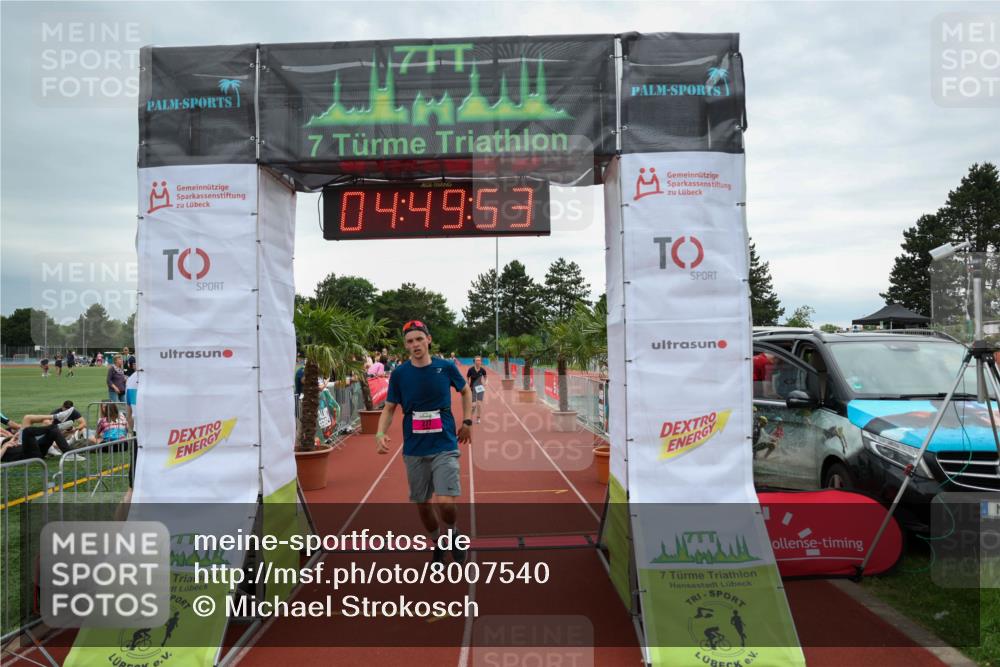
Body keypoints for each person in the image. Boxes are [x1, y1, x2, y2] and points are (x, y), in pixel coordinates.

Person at [375, 319, 473, 564]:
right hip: (415, 449)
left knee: (446, 502)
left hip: (445, 445)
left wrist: (468, 422)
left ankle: (453, 533)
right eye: (410, 341)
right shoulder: (399, 374)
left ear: (428, 340)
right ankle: (439, 540)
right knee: (422, 505)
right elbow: (389, 408)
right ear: (406, 346)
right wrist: (379, 433)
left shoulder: (446, 368)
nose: (415, 344)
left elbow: (466, 391)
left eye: (419, 339)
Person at [466, 356, 488, 424]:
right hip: (472, 388)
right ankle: (470, 417)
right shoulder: (470, 369)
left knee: (479, 404)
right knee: (473, 405)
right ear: (474, 361)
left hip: (480, 388)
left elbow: (485, 376)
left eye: (479, 360)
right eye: (476, 360)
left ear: (481, 362)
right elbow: (467, 376)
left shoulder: (482, 370)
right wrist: (467, 383)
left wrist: (486, 382)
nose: (478, 362)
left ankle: (478, 418)